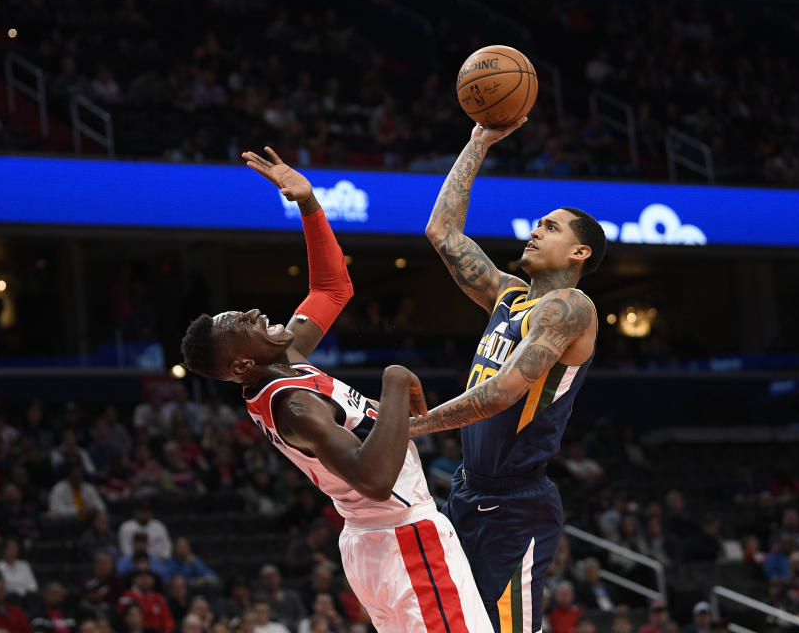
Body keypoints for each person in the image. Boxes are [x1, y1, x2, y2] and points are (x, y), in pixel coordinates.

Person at [180, 147, 491, 632]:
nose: (259, 313)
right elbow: (373, 478)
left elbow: (331, 288)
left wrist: (308, 204)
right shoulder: (297, 405)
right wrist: (392, 381)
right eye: (245, 322)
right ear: (242, 362)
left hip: (371, 543)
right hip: (402, 536)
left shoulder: (282, 364)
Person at [409, 118, 606, 632]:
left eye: (552, 227)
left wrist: (412, 425)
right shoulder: (509, 296)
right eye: (537, 222)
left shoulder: (572, 308)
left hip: (518, 505)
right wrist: (478, 142)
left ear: (580, 253)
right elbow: (442, 232)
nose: (536, 230)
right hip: (468, 488)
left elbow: (503, 392)